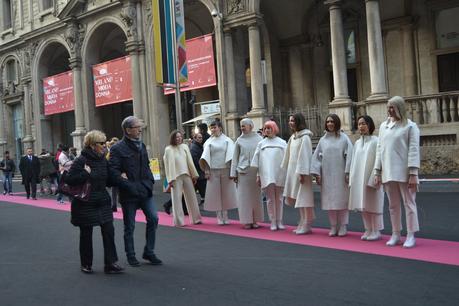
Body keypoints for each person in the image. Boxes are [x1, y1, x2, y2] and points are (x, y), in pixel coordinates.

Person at [65, 130, 123, 274]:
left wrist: (120, 176)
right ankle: (86, 263)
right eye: (101, 143)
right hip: (86, 202)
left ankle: (110, 263)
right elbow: (69, 180)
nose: (105, 146)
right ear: (92, 145)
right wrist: (86, 173)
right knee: (86, 234)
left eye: (105, 142)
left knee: (109, 231)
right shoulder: (81, 160)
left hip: (102, 200)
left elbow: (108, 179)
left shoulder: (103, 159)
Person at [109, 116, 162, 267]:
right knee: (129, 226)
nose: (140, 130)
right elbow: (113, 171)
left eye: (140, 127)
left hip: (145, 189)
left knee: (153, 218)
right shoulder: (117, 148)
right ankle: (131, 255)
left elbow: (146, 165)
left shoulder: (142, 145)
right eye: (137, 127)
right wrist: (127, 184)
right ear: (128, 130)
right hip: (129, 192)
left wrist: (150, 181)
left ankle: (149, 251)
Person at [374, 96, 421, 248]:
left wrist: (413, 173)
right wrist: (377, 171)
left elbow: (414, 150)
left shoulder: (410, 126)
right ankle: (396, 233)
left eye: (392, 107)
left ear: (400, 108)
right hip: (388, 172)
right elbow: (379, 150)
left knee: (409, 203)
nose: (389, 110)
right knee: (393, 206)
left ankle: (410, 234)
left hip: (405, 172)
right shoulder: (383, 126)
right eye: (388, 107)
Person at [311, 114, 353, 237]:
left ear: (336, 123)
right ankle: (333, 226)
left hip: (341, 175)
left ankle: (343, 225)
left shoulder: (344, 138)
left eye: (332, 121)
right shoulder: (322, 140)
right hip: (327, 175)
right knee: (330, 202)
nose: (330, 123)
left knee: (342, 201)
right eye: (328, 121)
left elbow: (350, 156)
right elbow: (316, 158)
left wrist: (348, 172)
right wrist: (317, 174)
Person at [348, 116, 384, 241]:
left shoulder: (376, 141)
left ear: (369, 125)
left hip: (371, 177)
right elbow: (353, 161)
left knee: (374, 204)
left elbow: (378, 160)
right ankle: (368, 229)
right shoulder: (357, 143)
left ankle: (376, 230)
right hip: (359, 178)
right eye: (359, 124)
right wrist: (352, 177)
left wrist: (376, 175)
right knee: (363, 204)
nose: (361, 126)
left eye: (363, 123)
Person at [282, 113, 315, 234]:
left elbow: (305, 156)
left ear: (298, 122)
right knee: (297, 199)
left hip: (302, 173)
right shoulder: (293, 137)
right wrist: (287, 169)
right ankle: (302, 221)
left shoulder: (305, 137)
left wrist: (302, 173)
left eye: (292, 120)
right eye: (289, 120)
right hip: (293, 171)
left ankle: (307, 223)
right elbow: (288, 155)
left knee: (304, 199)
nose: (290, 123)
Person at [199, 118, 237, 225]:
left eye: (214, 127)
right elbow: (205, 157)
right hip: (213, 170)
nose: (213, 130)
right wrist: (206, 170)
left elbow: (231, 156)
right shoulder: (208, 142)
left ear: (220, 128)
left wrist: (232, 172)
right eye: (211, 128)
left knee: (226, 193)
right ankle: (219, 216)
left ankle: (225, 215)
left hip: (225, 169)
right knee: (215, 194)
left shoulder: (227, 140)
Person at [251, 120, 287, 231]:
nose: (267, 130)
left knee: (279, 198)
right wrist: (258, 175)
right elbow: (257, 160)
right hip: (266, 174)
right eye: (266, 128)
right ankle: (272, 221)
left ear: (274, 129)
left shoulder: (282, 142)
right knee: (270, 199)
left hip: (279, 173)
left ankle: (279, 221)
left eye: (269, 128)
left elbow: (287, 159)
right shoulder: (261, 143)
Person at [163, 130, 202, 227]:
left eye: (180, 136)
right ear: (173, 138)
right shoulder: (168, 149)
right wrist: (170, 179)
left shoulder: (185, 147)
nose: (179, 138)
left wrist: (194, 175)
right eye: (177, 137)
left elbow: (190, 162)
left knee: (192, 197)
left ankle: (196, 219)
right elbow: (167, 165)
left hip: (187, 174)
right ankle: (179, 221)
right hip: (175, 177)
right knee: (176, 199)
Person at [230, 118, 263, 229]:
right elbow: (235, 158)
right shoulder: (239, 140)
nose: (242, 128)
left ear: (251, 126)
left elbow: (262, 157)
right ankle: (246, 221)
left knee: (255, 197)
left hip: (255, 172)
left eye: (244, 125)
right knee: (244, 197)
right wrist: (233, 173)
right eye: (241, 126)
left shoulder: (260, 139)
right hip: (242, 172)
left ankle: (255, 220)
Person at [190, 132, 206, 204]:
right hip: (198, 171)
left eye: (201, 137)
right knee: (202, 187)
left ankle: (203, 199)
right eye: (199, 138)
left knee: (200, 188)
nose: (201, 139)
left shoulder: (198, 146)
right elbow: (195, 160)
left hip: (199, 171)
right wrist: (202, 167)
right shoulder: (194, 147)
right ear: (195, 138)